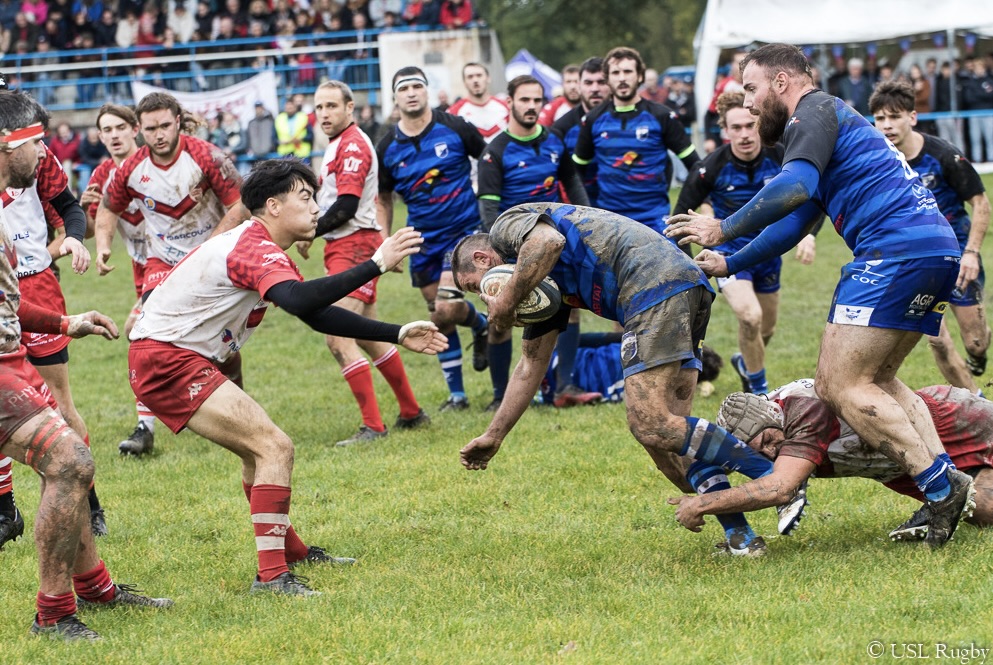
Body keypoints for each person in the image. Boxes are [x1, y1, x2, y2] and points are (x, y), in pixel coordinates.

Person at [664, 42, 973, 548]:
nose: (749, 103)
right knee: (878, 379)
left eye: (751, 89)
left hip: (894, 252)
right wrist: (731, 261)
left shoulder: (812, 110)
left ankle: (941, 488)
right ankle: (945, 483)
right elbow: (797, 219)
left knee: (838, 384)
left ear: (781, 82)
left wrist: (723, 227)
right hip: (933, 249)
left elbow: (793, 186)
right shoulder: (825, 123)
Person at [128, 159, 447, 596]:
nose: (317, 208)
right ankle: (272, 577)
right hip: (168, 360)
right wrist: (375, 263)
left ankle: (290, 552)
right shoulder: (251, 246)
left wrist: (396, 333)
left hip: (170, 357)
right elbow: (298, 300)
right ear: (273, 206)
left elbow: (314, 313)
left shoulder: (261, 245)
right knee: (274, 447)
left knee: (256, 454)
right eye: (306, 197)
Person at [452, 203, 782, 555]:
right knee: (673, 447)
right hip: (682, 287)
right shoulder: (546, 288)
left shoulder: (507, 227)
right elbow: (530, 366)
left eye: (476, 286)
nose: (485, 297)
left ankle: (776, 480)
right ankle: (742, 538)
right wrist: (494, 435)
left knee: (650, 423)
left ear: (482, 259)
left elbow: (548, 241)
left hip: (653, 285)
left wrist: (505, 302)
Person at [0, 89, 172, 642]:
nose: (45, 153)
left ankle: (95, 589)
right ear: (6, 144)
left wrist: (62, 321)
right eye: (36, 142)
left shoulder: (17, 195)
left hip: (13, 355)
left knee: (68, 464)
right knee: (71, 461)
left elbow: (6, 303)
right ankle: (53, 614)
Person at [95, 91, 249, 456]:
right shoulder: (130, 168)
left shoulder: (207, 156)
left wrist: (210, 247)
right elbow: (108, 208)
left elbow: (240, 205)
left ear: (178, 121)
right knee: (140, 330)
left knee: (222, 347)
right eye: (151, 129)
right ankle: (145, 428)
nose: (159, 134)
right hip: (162, 263)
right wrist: (102, 245)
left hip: (212, 259)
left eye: (165, 125)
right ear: (140, 129)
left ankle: (236, 396)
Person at [670, 380, 989, 542]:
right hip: (899, 469)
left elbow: (780, 488)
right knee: (984, 513)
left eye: (768, 442)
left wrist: (702, 504)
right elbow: (698, 461)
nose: (770, 455)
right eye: (759, 452)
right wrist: (739, 536)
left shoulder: (806, 410)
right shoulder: (764, 424)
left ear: (774, 417)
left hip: (949, 423)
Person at [298, 80, 429, 446]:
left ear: (350, 107)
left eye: (331, 106)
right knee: (367, 335)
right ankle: (411, 412)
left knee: (338, 338)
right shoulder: (339, 142)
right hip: (349, 245)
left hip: (354, 246)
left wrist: (309, 231)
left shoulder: (353, 144)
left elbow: (346, 206)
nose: (324, 113)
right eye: (319, 107)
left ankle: (374, 426)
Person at [476, 75, 600, 411]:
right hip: (512, 247)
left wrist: (587, 220)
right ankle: (500, 395)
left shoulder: (554, 142)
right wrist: (502, 254)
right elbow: (488, 209)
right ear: (510, 102)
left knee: (569, 309)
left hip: (553, 241)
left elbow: (572, 182)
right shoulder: (495, 152)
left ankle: (564, 386)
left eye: (536, 101)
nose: (531, 107)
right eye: (524, 100)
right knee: (503, 319)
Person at [377, 66, 492, 411]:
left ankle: (480, 324)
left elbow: (489, 159)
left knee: (445, 306)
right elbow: (383, 198)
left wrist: (488, 201)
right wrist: (386, 241)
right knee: (438, 315)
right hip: (422, 239)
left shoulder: (455, 127)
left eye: (417, 86)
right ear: (395, 97)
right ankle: (457, 395)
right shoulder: (387, 147)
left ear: (426, 91)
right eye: (404, 88)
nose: (411, 93)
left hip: (462, 232)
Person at [869, 80, 991, 392]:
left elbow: (981, 204)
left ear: (912, 117)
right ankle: (978, 403)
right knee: (937, 340)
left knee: (976, 342)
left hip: (958, 254)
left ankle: (978, 356)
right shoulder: (878, 163)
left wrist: (971, 253)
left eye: (894, 116)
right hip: (917, 261)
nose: (886, 125)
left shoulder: (942, 155)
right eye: (880, 118)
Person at [673, 91, 791, 395]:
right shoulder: (710, 167)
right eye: (735, 128)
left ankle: (745, 364)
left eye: (750, 125)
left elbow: (813, 196)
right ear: (725, 130)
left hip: (768, 252)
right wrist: (688, 264)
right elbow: (678, 218)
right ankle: (761, 394)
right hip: (727, 253)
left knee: (765, 329)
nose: (744, 134)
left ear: (760, 124)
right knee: (750, 318)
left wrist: (810, 236)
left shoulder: (781, 157)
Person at [572, 46, 699, 237]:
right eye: (616, 73)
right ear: (607, 79)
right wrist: (587, 211)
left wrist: (681, 210)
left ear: (640, 76)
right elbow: (575, 173)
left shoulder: (662, 116)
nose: (622, 78)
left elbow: (696, 166)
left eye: (628, 71)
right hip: (609, 220)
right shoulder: (592, 120)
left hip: (654, 220)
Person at [552, 56, 608, 205]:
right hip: (580, 209)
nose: (595, 89)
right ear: (579, 86)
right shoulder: (561, 128)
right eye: (588, 83)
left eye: (601, 82)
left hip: (622, 207)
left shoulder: (627, 122)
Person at [447, 62, 509, 144]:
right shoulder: (453, 113)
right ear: (464, 82)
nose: (475, 80)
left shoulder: (507, 107)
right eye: (470, 77)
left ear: (488, 78)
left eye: (479, 75)